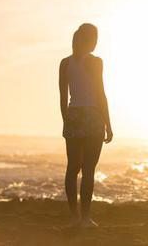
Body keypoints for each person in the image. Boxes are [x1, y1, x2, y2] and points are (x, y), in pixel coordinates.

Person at [59, 23, 113, 227]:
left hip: (74, 115)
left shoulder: (65, 63)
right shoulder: (96, 62)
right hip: (92, 116)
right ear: (90, 40)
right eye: (95, 38)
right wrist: (108, 123)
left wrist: (67, 120)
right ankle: (85, 218)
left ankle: (74, 217)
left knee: (72, 168)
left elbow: (63, 96)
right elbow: (100, 94)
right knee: (88, 169)